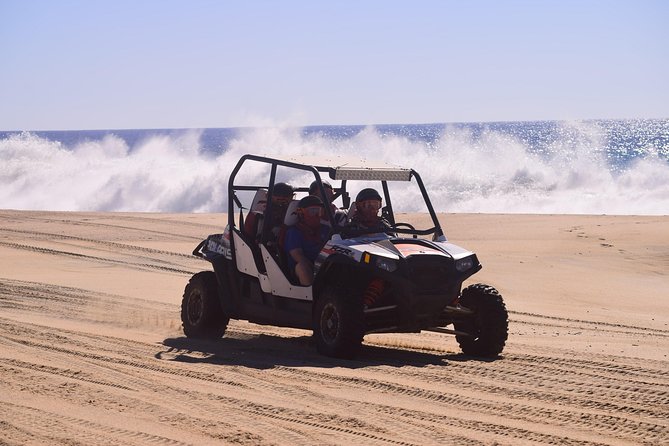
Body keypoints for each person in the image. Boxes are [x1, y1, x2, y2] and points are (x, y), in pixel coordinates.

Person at [283, 195, 330, 286]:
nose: (317, 215)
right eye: (313, 211)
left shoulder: (326, 229)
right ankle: (311, 295)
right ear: (301, 213)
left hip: (324, 265)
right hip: (305, 268)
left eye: (320, 211)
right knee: (302, 266)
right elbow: (297, 255)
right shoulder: (294, 231)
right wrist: (317, 269)